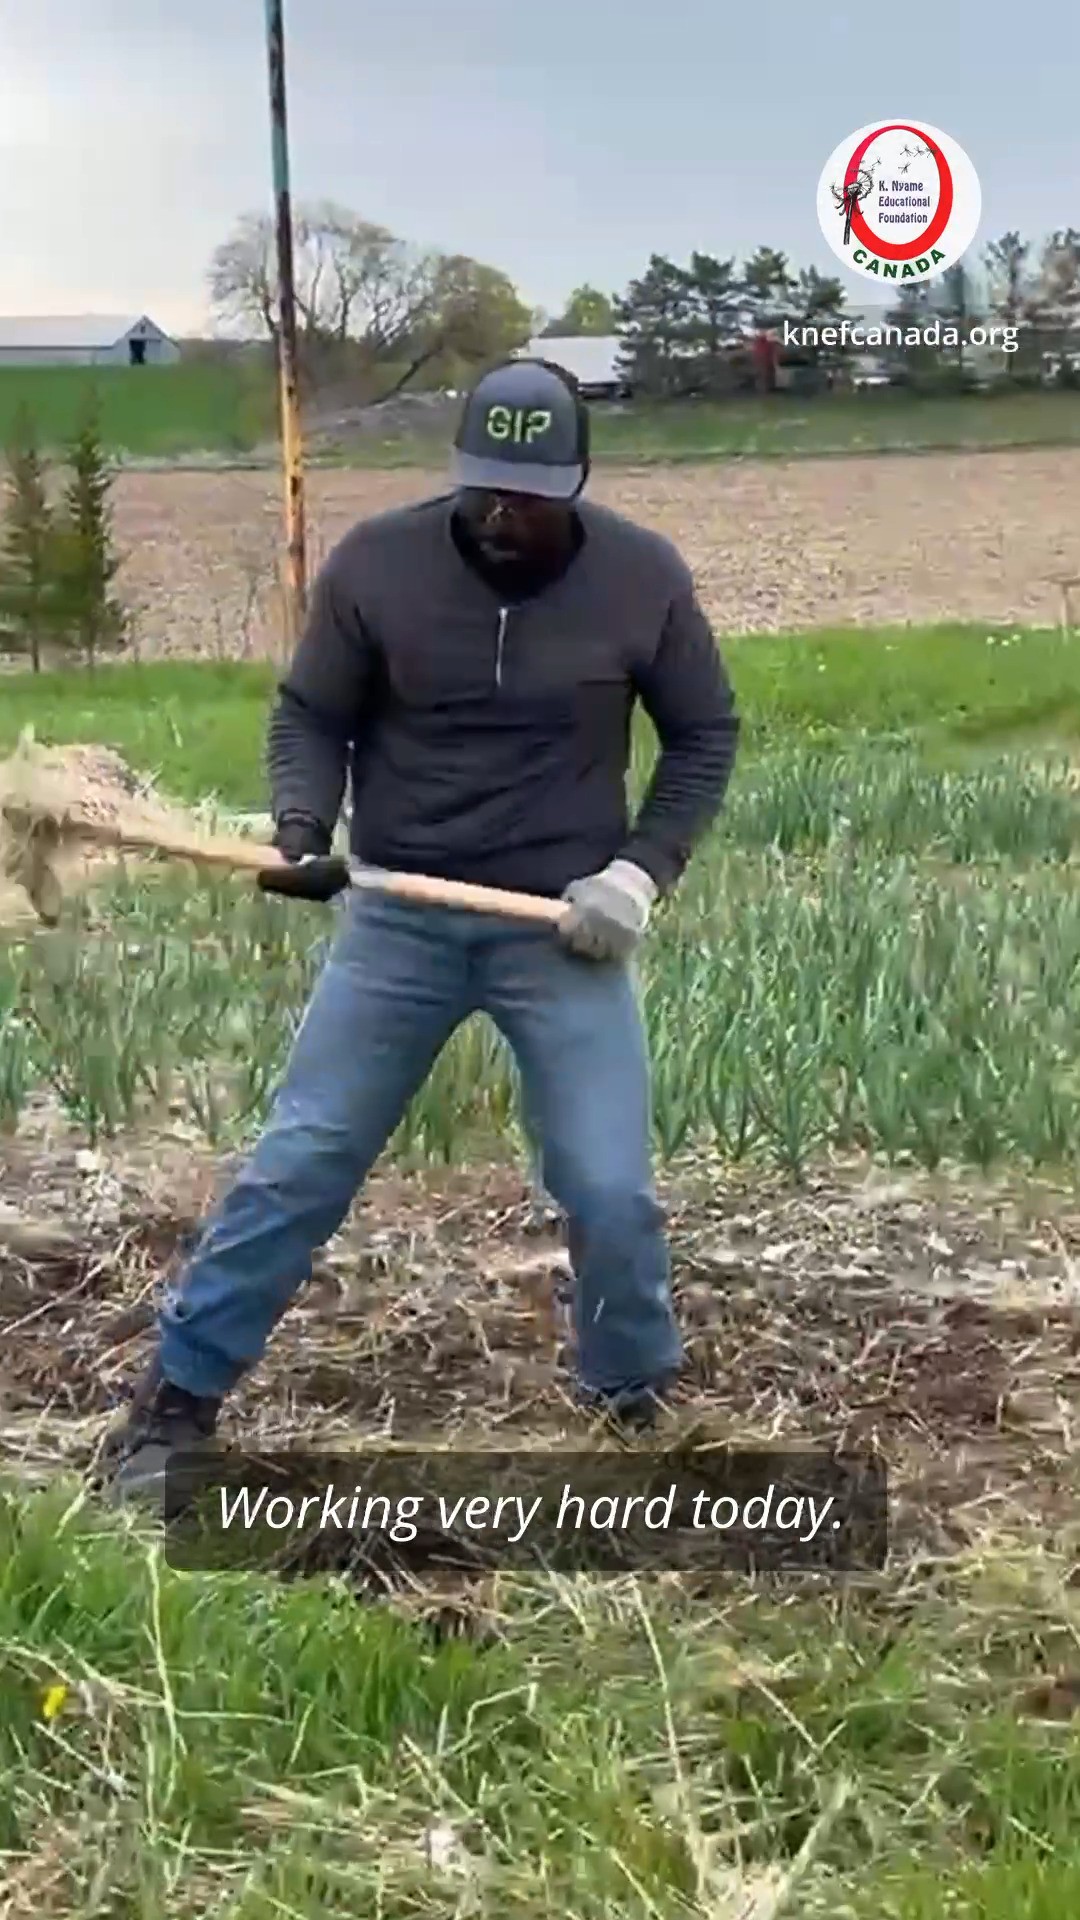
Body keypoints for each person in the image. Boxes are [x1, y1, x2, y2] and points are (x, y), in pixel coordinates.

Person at [100, 356, 740, 1497]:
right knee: (305, 1159)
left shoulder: (642, 579)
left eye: (527, 498)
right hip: (399, 916)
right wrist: (302, 825)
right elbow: (312, 713)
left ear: (575, 483)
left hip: (558, 926)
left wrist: (638, 875)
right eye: (483, 489)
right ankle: (175, 1401)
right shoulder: (378, 567)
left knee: (608, 1185)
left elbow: (703, 737)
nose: (500, 515)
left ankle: (629, 1394)